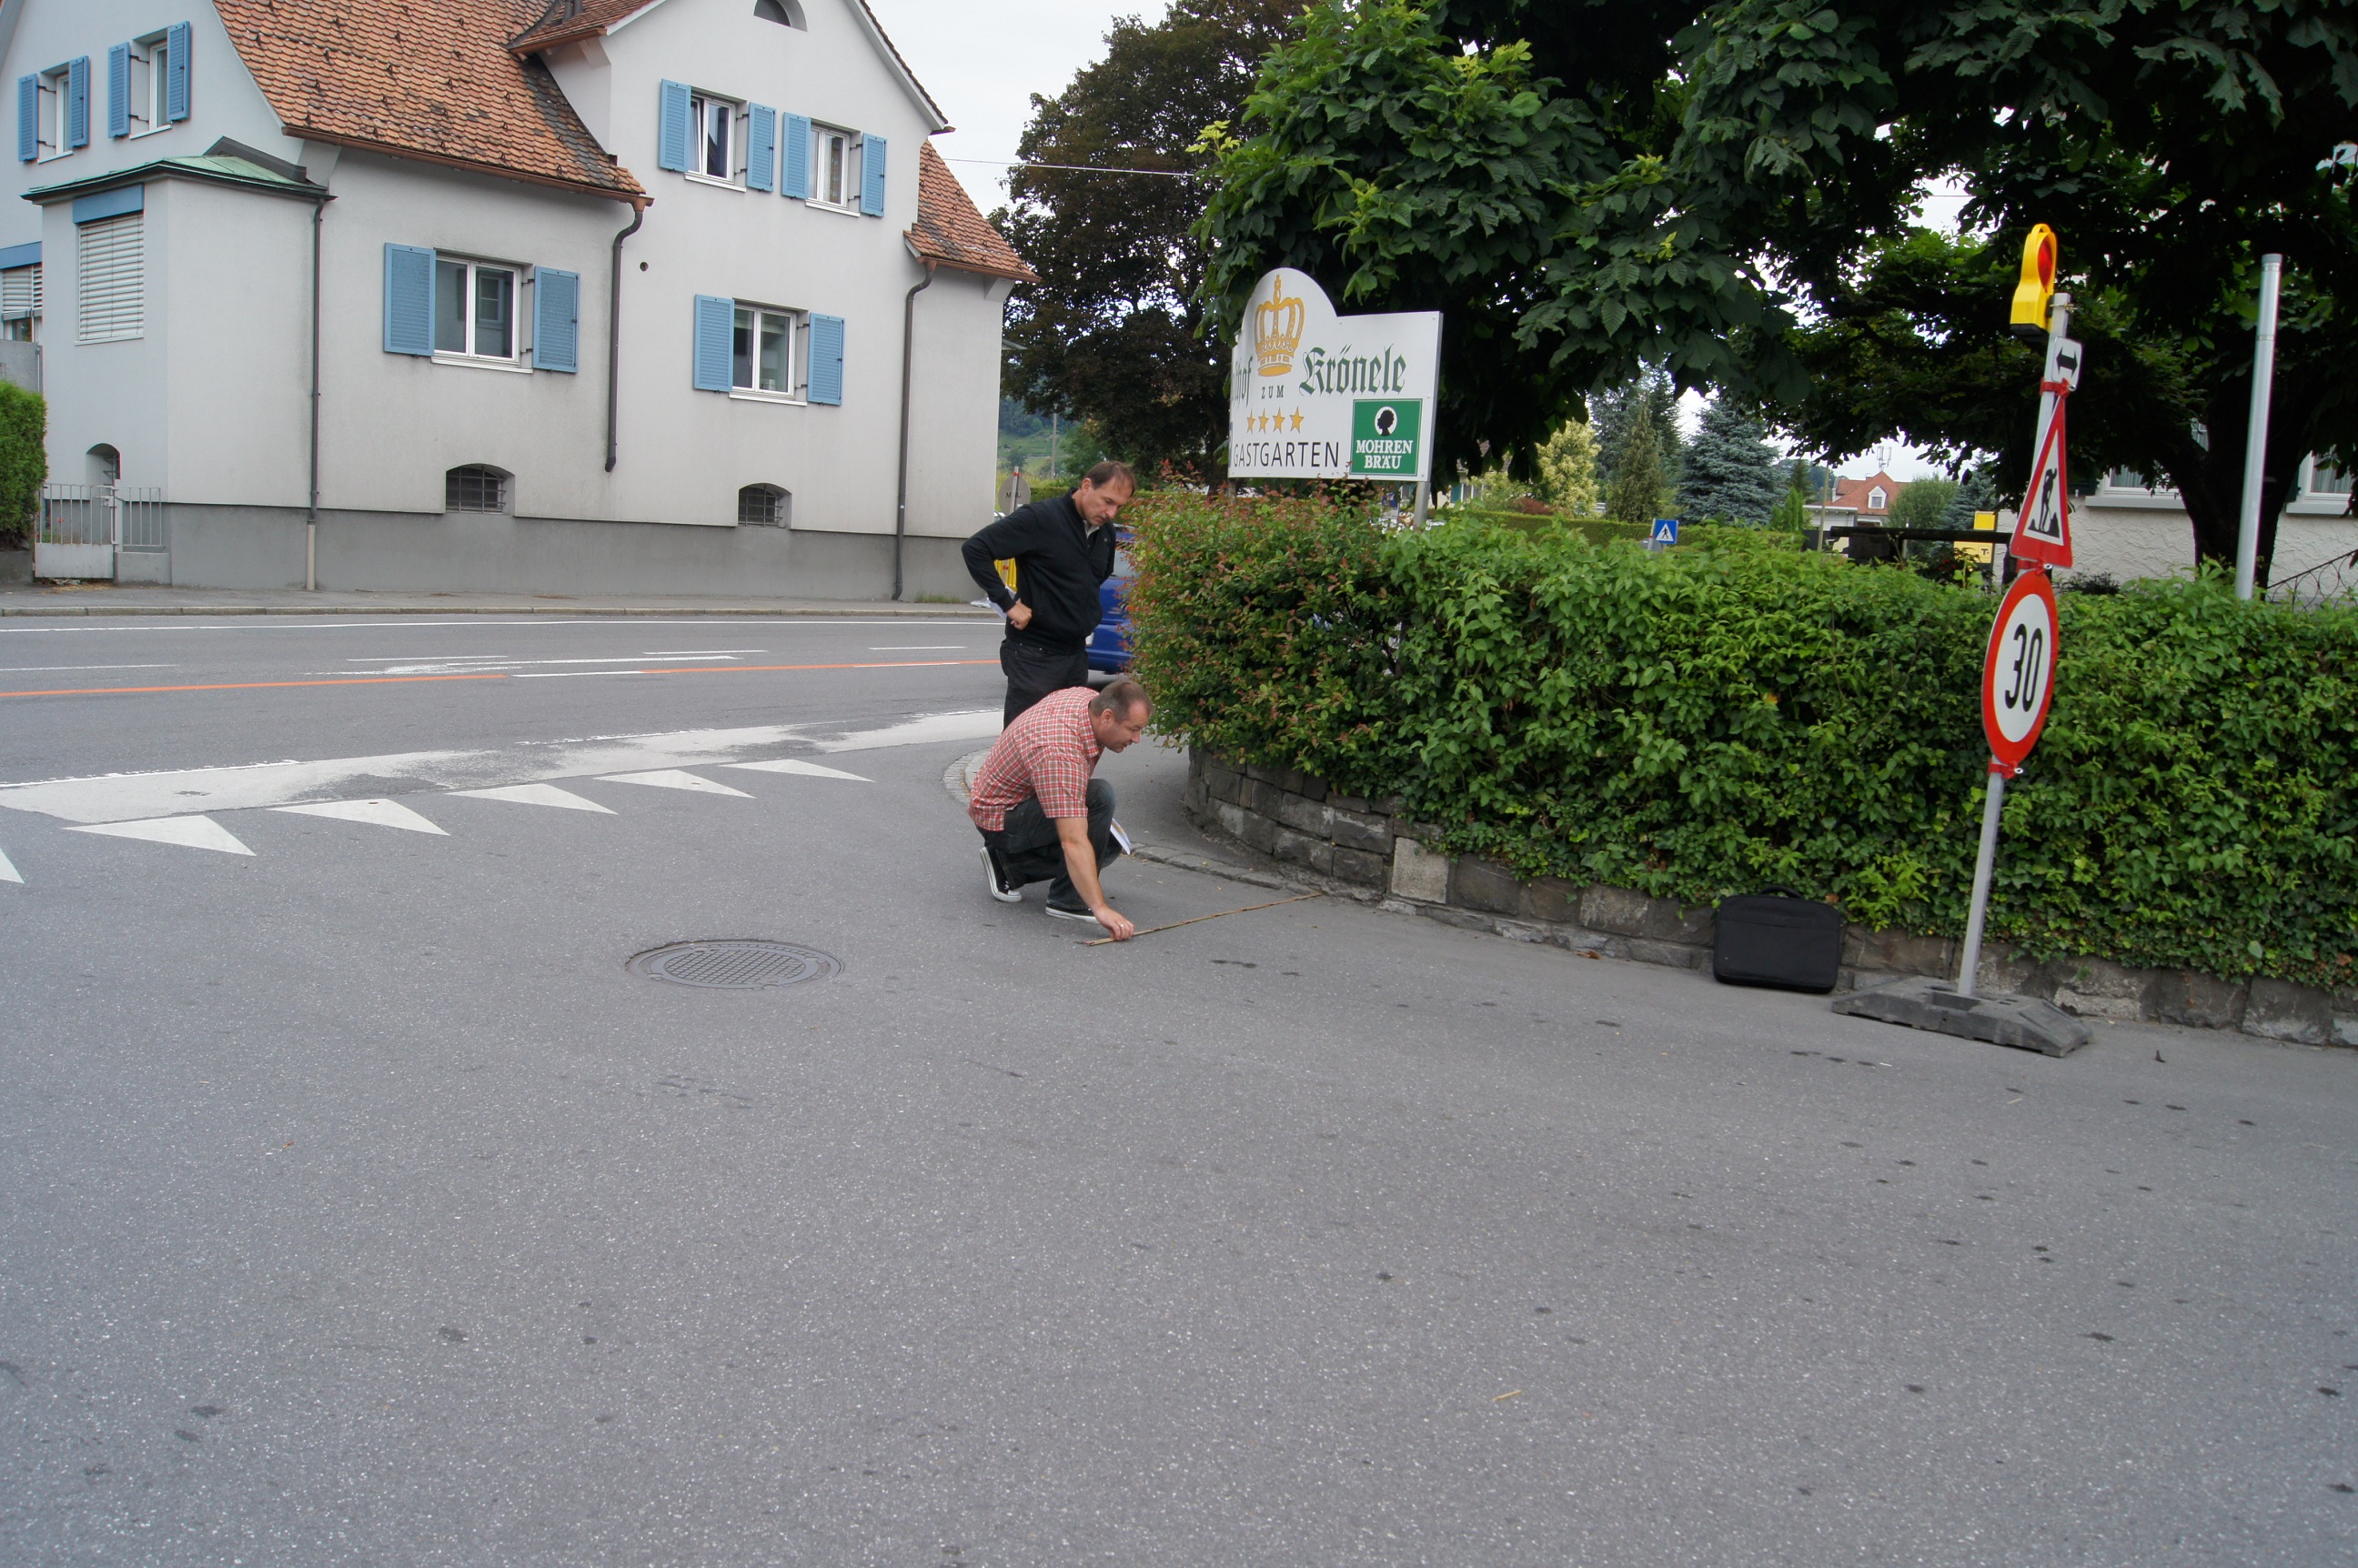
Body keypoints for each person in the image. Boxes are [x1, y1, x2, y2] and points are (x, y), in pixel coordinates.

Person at [968, 677, 1151, 940]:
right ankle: (1067, 900)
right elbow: (1073, 841)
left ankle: (1008, 866)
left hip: (1021, 800)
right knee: (1099, 800)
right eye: (1133, 729)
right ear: (1107, 717)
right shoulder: (1060, 751)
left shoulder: (1086, 700)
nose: (1137, 739)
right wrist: (1100, 907)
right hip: (1002, 817)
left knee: (1108, 844)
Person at [962, 459, 1134, 726]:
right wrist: (1007, 603)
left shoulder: (1105, 533)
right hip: (1034, 655)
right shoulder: (1041, 518)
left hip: (1076, 656)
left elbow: (1093, 579)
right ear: (1086, 486)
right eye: (1107, 501)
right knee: (1026, 738)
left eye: (1119, 507)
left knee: (1066, 739)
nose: (1111, 513)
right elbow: (976, 549)